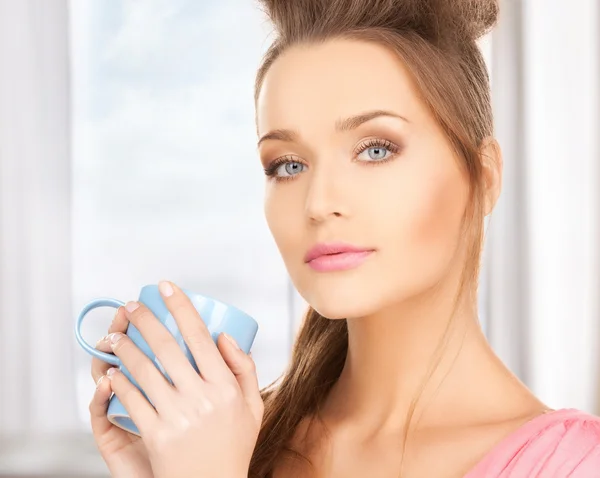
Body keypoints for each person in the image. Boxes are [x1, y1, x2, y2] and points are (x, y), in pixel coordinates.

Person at [88, 0, 600, 476]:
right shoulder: (230, 441)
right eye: (288, 165)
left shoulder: (571, 463)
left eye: (375, 150)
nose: (318, 202)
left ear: (483, 177)